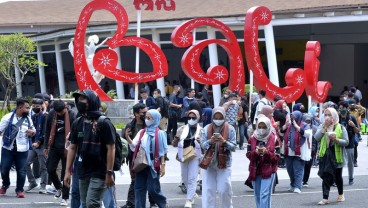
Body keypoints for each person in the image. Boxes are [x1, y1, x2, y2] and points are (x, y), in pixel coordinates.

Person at [64, 89, 116, 207]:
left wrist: (109, 172)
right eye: (79, 99)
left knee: (92, 203)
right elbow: (72, 147)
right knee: (85, 203)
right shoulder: (78, 122)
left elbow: (111, 148)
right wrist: (67, 171)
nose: (80, 101)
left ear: (92, 101)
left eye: (83, 99)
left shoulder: (104, 123)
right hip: (83, 170)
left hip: (100, 171)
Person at [126, 109, 169, 208]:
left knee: (153, 188)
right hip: (141, 163)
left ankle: (163, 203)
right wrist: (128, 138)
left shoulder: (160, 133)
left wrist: (163, 165)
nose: (146, 119)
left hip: (154, 163)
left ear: (155, 119)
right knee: (139, 188)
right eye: (146, 117)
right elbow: (134, 146)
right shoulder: (142, 132)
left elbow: (163, 152)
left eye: (149, 118)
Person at [201, 106, 237, 207]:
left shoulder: (230, 129)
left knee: (224, 189)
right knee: (208, 191)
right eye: (215, 118)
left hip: (224, 164)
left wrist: (224, 142)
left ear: (224, 117)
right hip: (209, 164)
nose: (218, 120)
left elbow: (234, 147)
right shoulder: (206, 128)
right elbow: (202, 144)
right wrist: (210, 141)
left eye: (220, 117)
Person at [0, 98, 36, 198]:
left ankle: (19, 189)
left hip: (22, 149)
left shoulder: (28, 119)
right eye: (27, 108)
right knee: (4, 168)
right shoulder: (8, 118)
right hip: (8, 148)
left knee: (21, 170)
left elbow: (34, 130)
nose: (29, 110)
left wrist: (32, 132)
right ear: (19, 108)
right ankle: (5, 184)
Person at [44, 100, 76, 206]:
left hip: (68, 148)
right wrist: (45, 146)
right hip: (54, 146)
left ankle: (65, 197)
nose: (59, 114)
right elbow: (47, 130)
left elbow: (75, 132)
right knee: (50, 168)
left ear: (65, 108)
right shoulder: (52, 114)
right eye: (57, 112)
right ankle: (59, 187)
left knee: (65, 173)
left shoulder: (72, 115)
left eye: (61, 112)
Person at [314, 107, 348, 205]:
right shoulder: (322, 126)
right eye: (326, 115)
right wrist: (324, 127)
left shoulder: (341, 127)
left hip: (337, 155)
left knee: (338, 176)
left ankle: (340, 194)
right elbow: (316, 138)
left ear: (335, 116)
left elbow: (346, 142)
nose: (327, 117)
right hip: (325, 155)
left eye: (330, 115)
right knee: (325, 176)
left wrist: (336, 140)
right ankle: (325, 198)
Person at [246, 116, 280, 208]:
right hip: (255, 169)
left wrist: (267, 153)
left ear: (268, 126)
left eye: (264, 127)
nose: (261, 129)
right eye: (259, 127)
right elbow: (248, 155)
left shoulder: (274, 138)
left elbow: (277, 157)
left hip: (269, 170)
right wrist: (255, 153)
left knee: (265, 194)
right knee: (257, 194)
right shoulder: (252, 138)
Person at [174, 110, 202, 208]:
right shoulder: (181, 129)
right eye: (189, 118)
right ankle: (192, 193)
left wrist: (200, 141)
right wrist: (176, 138)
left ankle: (189, 199)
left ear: (198, 118)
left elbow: (205, 146)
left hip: (195, 155)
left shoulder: (201, 130)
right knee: (184, 177)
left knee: (192, 178)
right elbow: (174, 144)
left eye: (193, 118)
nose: (191, 120)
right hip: (183, 155)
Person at [283, 110, 311, 194]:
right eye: (291, 118)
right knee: (290, 170)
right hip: (289, 151)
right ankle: (292, 184)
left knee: (298, 170)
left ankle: (298, 186)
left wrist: (297, 127)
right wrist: (285, 126)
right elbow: (281, 134)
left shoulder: (305, 125)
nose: (292, 120)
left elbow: (307, 134)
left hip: (299, 152)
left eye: (294, 118)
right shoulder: (289, 126)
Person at [25, 98, 48, 194]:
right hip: (32, 144)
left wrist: (39, 142)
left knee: (43, 167)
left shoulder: (45, 117)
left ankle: (43, 186)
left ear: (41, 106)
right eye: (33, 106)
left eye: (37, 106)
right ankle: (32, 182)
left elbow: (45, 132)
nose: (35, 108)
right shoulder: (33, 117)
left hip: (41, 145)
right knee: (26, 163)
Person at [338, 101, 359, 185]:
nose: (340, 110)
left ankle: (351, 178)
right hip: (339, 142)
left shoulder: (352, 117)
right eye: (339, 108)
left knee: (350, 162)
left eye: (342, 108)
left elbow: (357, 131)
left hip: (350, 143)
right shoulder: (337, 118)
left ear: (346, 108)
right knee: (339, 162)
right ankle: (338, 178)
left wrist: (353, 125)